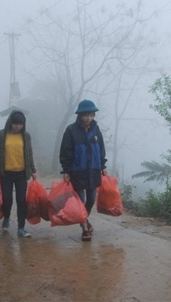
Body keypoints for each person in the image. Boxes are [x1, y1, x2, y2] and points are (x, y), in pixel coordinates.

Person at [59, 99, 107, 241]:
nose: (89, 118)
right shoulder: (71, 130)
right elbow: (65, 151)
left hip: (93, 171)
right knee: (81, 200)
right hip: (77, 171)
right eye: (86, 115)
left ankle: (84, 219)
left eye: (91, 115)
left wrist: (103, 166)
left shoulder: (96, 130)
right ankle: (85, 228)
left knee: (91, 199)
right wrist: (66, 170)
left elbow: (101, 148)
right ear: (80, 115)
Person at [0, 110, 37, 238]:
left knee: (21, 201)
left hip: (21, 174)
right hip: (6, 174)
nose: (18, 127)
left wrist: (33, 171)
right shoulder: (0, 135)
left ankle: (21, 227)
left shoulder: (26, 136)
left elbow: (29, 154)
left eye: (20, 124)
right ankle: (6, 217)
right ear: (10, 122)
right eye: (15, 124)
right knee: (7, 199)